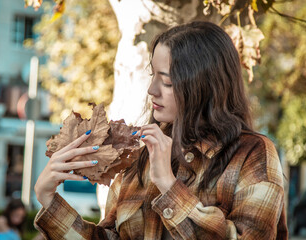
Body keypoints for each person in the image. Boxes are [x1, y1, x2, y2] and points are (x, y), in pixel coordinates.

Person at [33, 21, 288, 239]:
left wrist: (168, 185)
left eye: (166, 80)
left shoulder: (252, 154)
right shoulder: (141, 156)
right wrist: (49, 200)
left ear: (204, 85)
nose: (151, 90)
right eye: (153, 75)